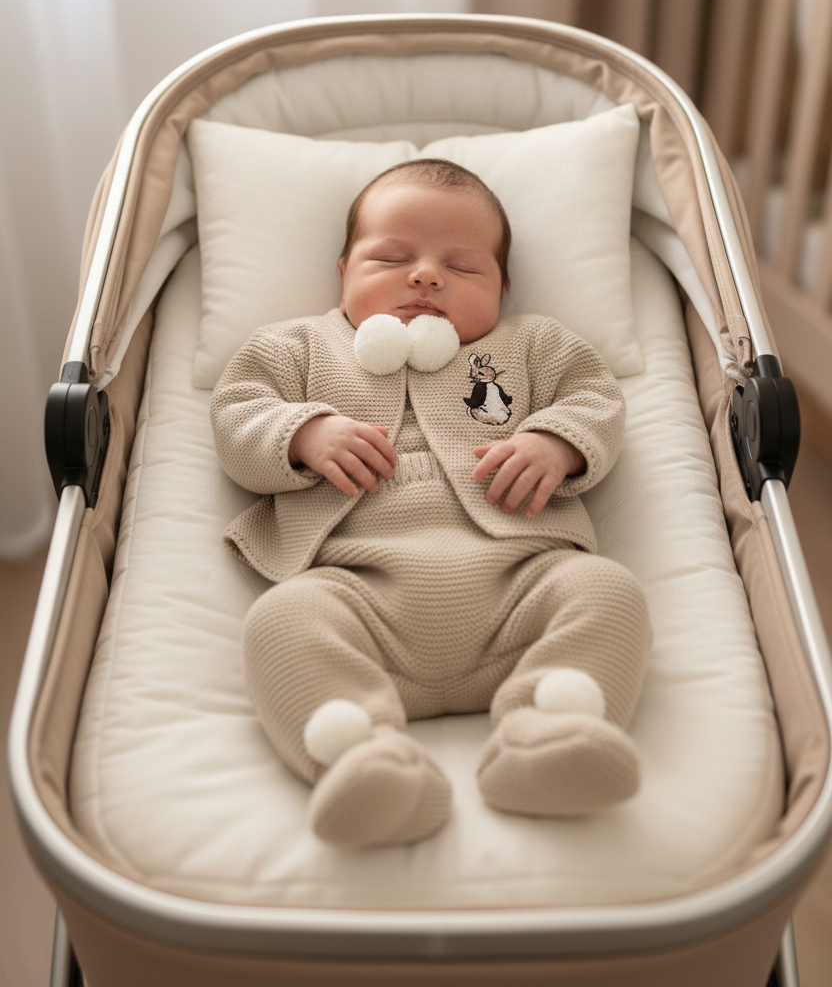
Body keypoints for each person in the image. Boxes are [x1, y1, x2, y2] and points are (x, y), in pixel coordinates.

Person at [210, 159, 651, 847]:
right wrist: (304, 433)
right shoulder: (296, 347)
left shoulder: (531, 344)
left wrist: (556, 442)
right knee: (280, 621)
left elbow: (598, 399)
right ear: (342, 270)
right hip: (361, 599)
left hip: (519, 590)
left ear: (503, 288)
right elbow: (237, 417)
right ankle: (364, 760)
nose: (425, 275)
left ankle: (547, 734)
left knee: (609, 593)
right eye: (391, 257)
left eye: (463, 267)